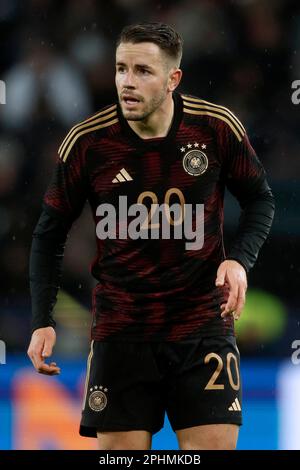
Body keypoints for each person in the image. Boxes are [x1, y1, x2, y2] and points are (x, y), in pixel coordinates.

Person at [27, 22, 275, 450]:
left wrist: (238, 259)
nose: (127, 81)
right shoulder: (88, 142)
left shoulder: (214, 128)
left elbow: (260, 200)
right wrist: (42, 321)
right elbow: (48, 235)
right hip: (121, 333)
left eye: (143, 71)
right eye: (121, 68)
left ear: (173, 79)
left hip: (202, 327)